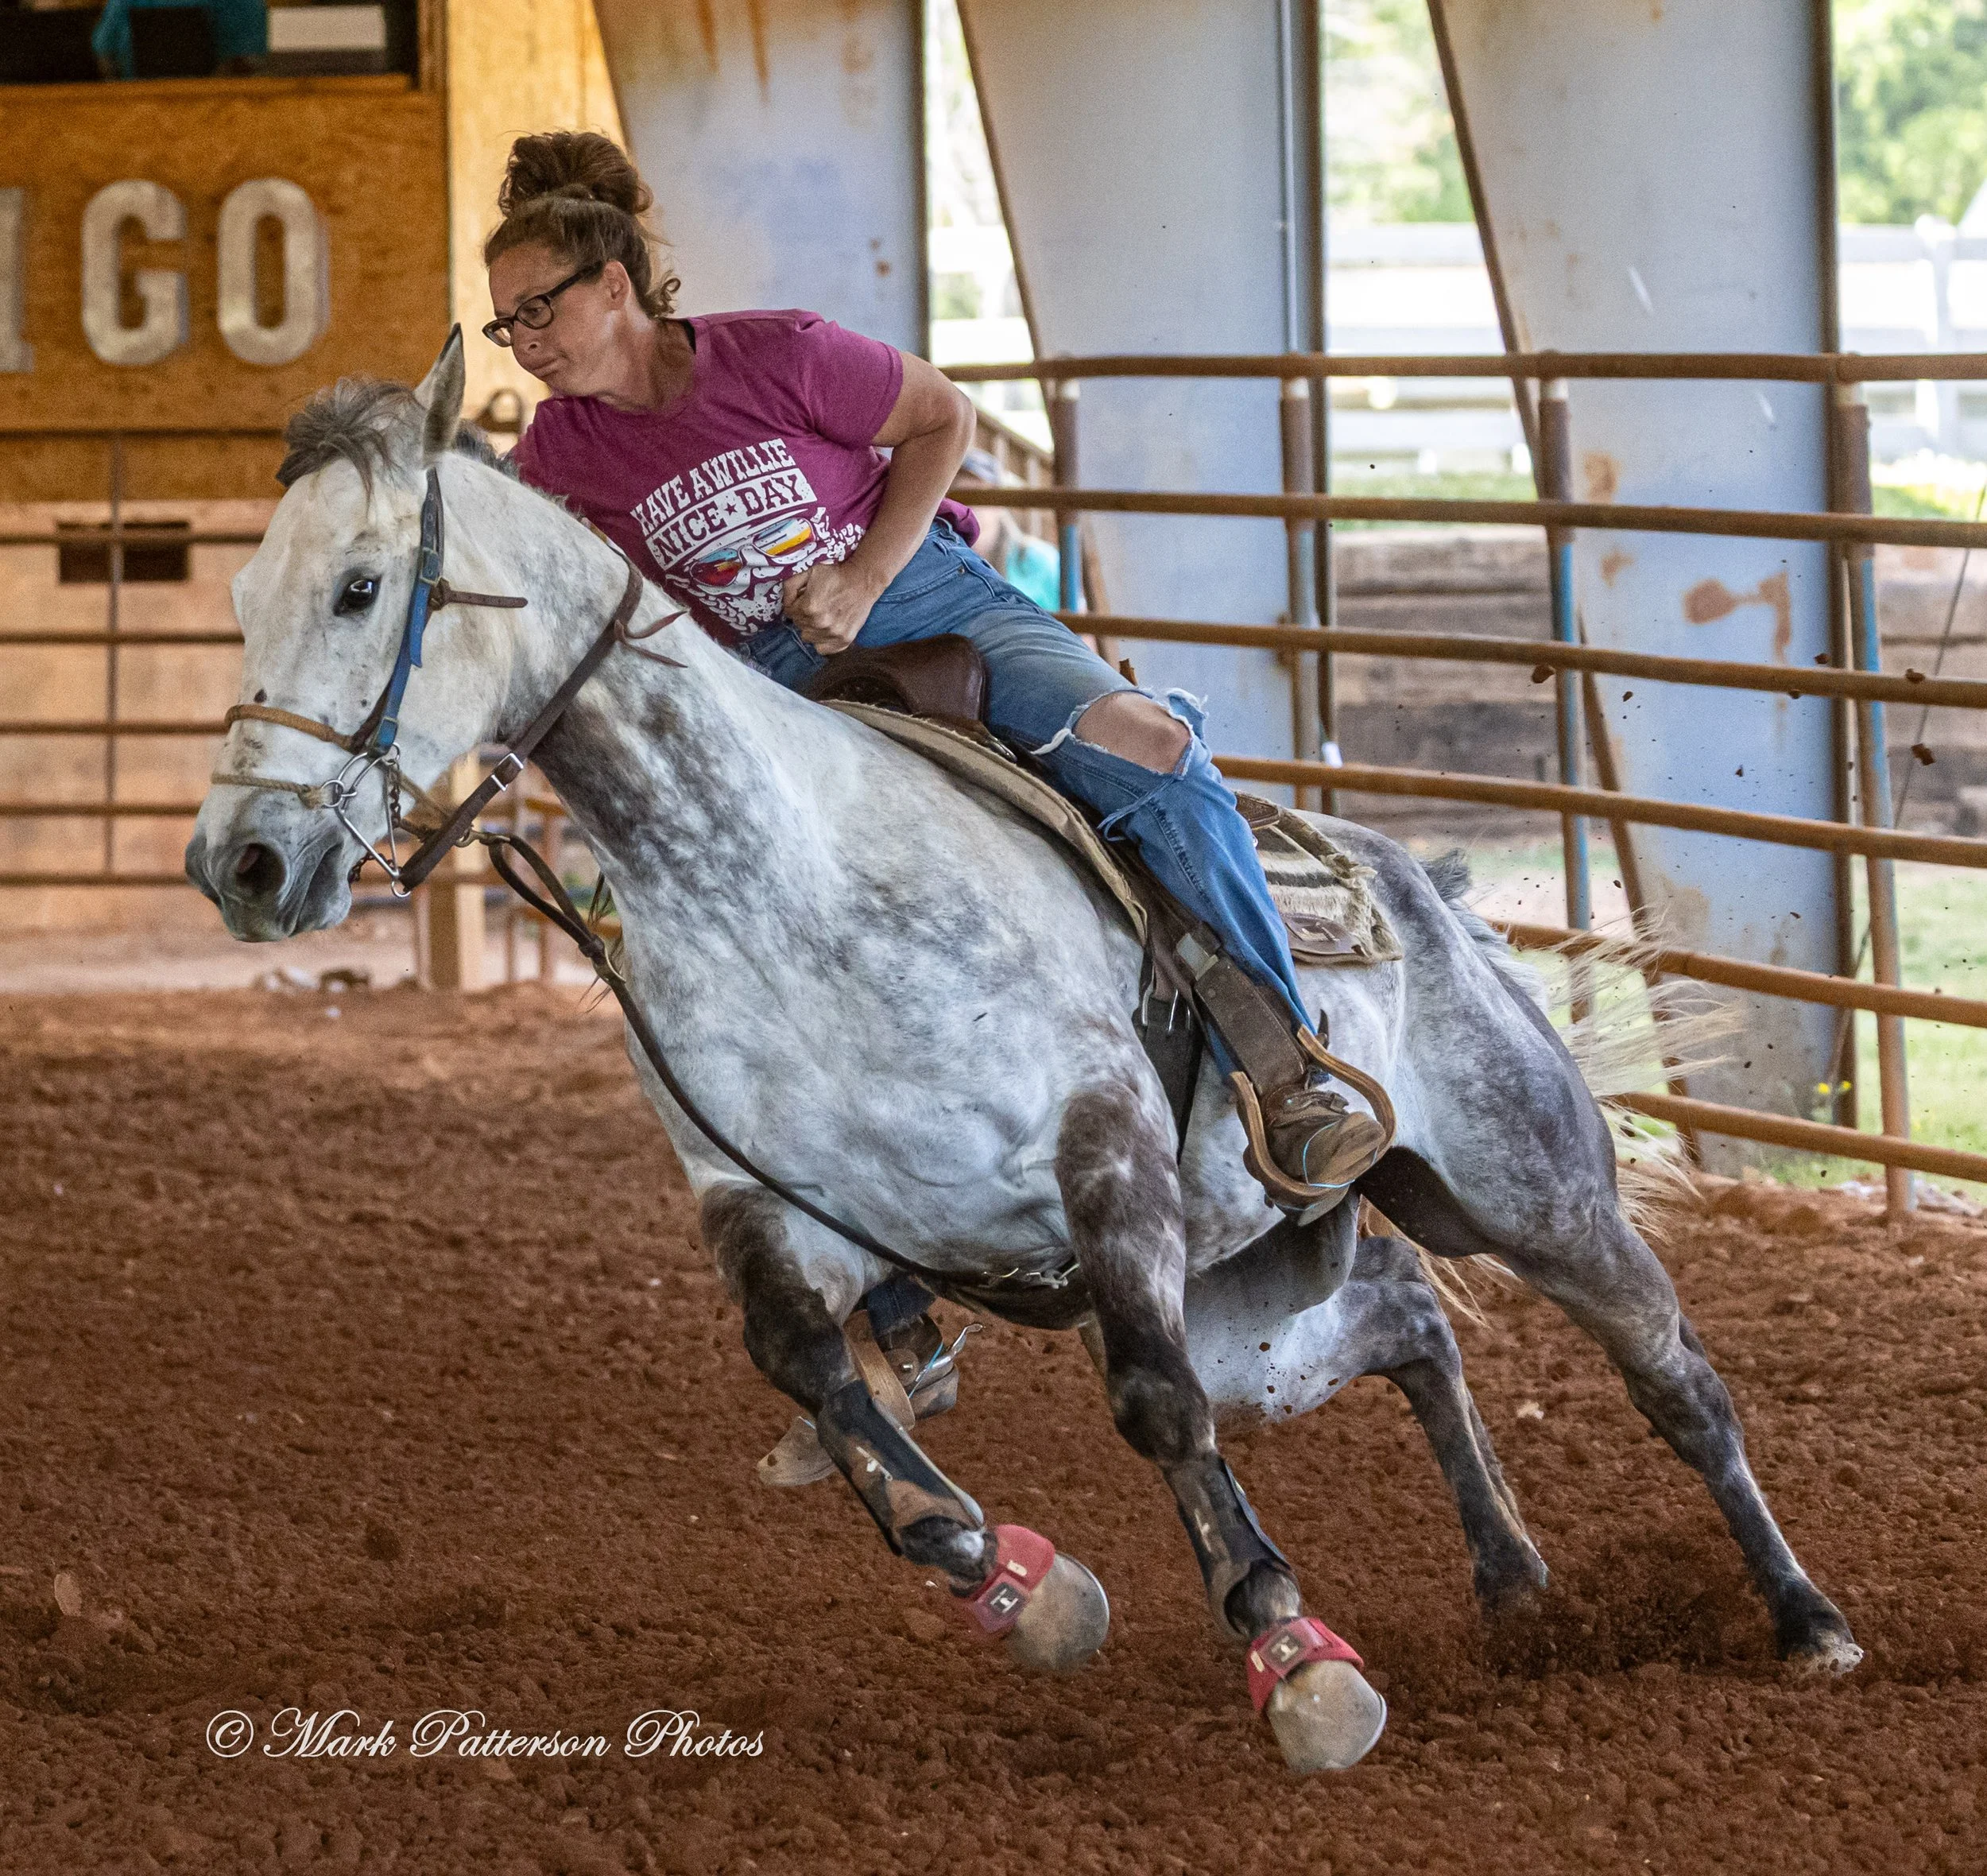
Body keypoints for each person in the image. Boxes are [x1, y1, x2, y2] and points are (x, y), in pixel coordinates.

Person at [486, 130, 1385, 1207]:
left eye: (537, 311)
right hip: (771, 682)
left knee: (1149, 748)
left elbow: (941, 415)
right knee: (718, 904)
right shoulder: (556, 456)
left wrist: (864, 576)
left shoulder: (777, 354)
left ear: (613, 285)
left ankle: (1287, 1070)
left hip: (935, 605)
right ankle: (829, 1189)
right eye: (505, 325)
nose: (523, 344)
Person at [954, 448, 1063, 612]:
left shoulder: (1040, 561)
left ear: (1000, 503)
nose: (970, 507)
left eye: (981, 495)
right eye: (959, 496)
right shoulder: (940, 561)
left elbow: (1077, 623)